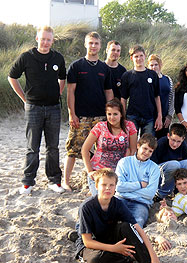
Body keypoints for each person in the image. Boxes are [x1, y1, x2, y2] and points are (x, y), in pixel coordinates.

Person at [8, 26, 66, 194]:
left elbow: (63, 78)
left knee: (53, 147)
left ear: (52, 40)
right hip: (33, 108)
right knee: (33, 147)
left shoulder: (58, 58)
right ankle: (28, 182)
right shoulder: (27, 57)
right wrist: (24, 98)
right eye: (43, 38)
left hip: (54, 108)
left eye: (49, 39)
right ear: (37, 38)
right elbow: (12, 77)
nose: (45, 42)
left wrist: (58, 93)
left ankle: (54, 181)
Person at [63, 31, 114, 191]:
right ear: (86, 44)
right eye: (90, 43)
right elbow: (70, 91)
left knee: (100, 150)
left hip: (100, 117)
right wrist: (72, 113)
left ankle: (96, 180)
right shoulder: (76, 66)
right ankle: (66, 181)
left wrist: (109, 115)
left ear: (100, 46)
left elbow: (109, 92)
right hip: (81, 116)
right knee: (73, 149)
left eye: (96, 43)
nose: (93, 46)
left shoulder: (104, 68)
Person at [75, 168, 159, 263]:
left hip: (112, 239)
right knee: (96, 259)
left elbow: (138, 229)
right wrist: (114, 248)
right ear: (96, 186)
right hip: (93, 245)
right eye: (104, 185)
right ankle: (124, 257)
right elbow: (87, 242)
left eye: (111, 185)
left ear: (115, 187)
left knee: (126, 226)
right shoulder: (87, 207)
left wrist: (153, 257)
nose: (108, 188)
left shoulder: (118, 204)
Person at [82, 98, 137, 196]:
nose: (112, 117)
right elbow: (85, 149)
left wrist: (126, 170)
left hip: (119, 172)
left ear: (121, 114)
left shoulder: (129, 126)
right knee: (101, 198)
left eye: (115, 114)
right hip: (99, 170)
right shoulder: (100, 127)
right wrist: (89, 171)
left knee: (118, 198)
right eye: (109, 114)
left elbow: (133, 150)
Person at [115, 134, 160, 228]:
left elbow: (150, 194)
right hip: (121, 199)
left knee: (137, 224)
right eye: (145, 148)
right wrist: (139, 184)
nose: (147, 153)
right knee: (110, 219)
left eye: (150, 151)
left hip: (141, 203)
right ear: (138, 145)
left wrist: (127, 188)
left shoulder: (155, 168)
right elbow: (118, 187)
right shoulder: (124, 162)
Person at [121, 45, 162, 136]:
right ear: (132, 58)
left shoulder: (152, 75)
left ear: (145, 56)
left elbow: (157, 96)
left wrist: (159, 116)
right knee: (131, 145)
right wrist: (123, 117)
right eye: (136, 56)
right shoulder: (127, 76)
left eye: (141, 55)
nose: (139, 58)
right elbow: (123, 99)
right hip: (132, 116)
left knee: (147, 145)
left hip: (149, 116)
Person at [151, 123, 187, 200]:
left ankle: (181, 191)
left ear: (183, 139)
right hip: (160, 174)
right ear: (168, 136)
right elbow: (152, 165)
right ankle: (161, 194)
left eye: (178, 141)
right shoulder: (161, 143)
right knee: (174, 165)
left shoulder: (183, 146)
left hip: (175, 174)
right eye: (173, 140)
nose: (175, 144)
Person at [147, 54, 174, 139]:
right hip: (150, 117)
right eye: (151, 65)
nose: (154, 67)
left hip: (164, 117)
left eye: (156, 65)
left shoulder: (167, 79)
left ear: (160, 65)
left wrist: (169, 115)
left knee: (162, 142)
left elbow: (172, 98)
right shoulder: (146, 80)